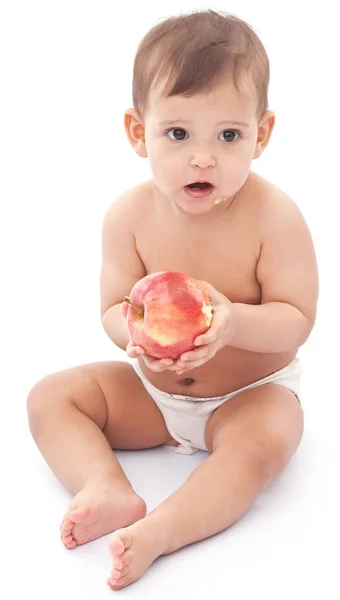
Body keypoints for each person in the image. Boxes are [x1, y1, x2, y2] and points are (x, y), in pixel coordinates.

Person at [26, 9, 319, 590]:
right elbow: (114, 308)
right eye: (178, 133)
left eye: (228, 135)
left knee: (263, 444)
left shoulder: (275, 218)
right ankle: (104, 485)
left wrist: (233, 324)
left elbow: (296, 320)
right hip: (154, 393)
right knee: (51, 397)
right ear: (140, 132)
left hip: (248, 396)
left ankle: (164, 529)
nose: (202, 157)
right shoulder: (128, 217)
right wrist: (134, 339)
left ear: (261, 134)